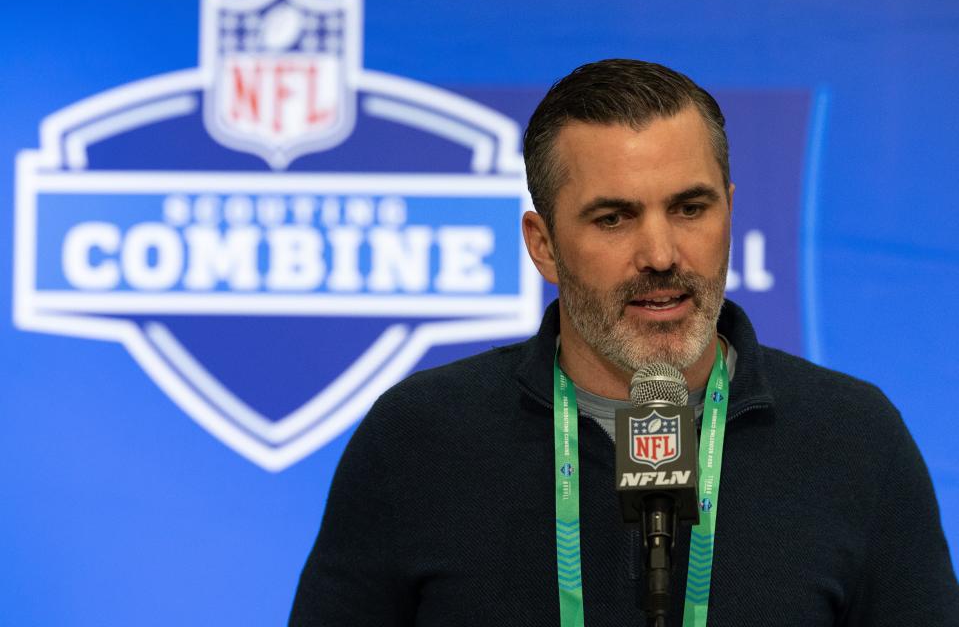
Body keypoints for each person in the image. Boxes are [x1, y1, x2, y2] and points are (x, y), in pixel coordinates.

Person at [290, 59, 959, 626]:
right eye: (613, 218)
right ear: (543, 245)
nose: (661, 253)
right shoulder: (418, 439)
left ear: (729, 209)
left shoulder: (853, 438)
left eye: (690, 208)